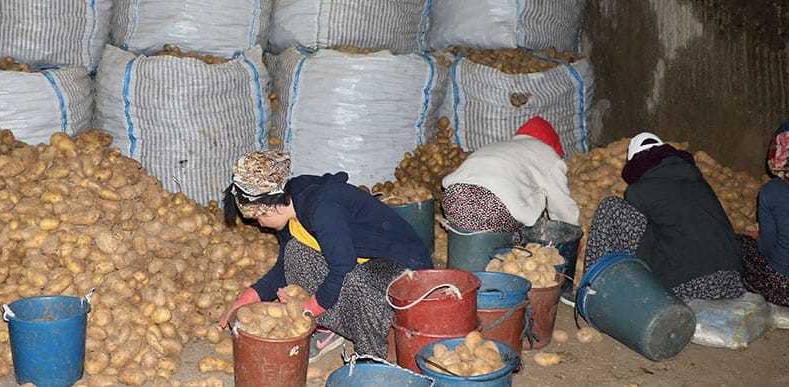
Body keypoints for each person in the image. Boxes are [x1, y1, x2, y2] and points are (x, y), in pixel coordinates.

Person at [216, 150, 432, 362]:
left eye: (257, 218)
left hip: (406, 268)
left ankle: (370, 356)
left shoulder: (322, 208)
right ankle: (337, 326)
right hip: (365, 261)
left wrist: (310, 308)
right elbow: (284, 267)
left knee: (354, 279)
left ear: (269, 207)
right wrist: (246, 298)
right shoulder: (290, 210)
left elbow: (343, 267)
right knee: (295, 254)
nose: (258, 224)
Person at [584, 132, 743, 300]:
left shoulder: (638, 191)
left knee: (611, 208)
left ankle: (592, 289)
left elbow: (632, 236)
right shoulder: (699, 183)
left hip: (687, 286)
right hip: (731, 283)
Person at [440, 116, 579, 233]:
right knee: (521, 236)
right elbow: (561, 205)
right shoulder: (548, 154)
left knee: (477, 224)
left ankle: (467, 241)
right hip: (490, 208)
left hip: (452, 199)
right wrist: (569, 233)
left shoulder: (499, 146)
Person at [738, 121, 789, 306]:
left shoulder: (772, 190)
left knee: (739, 245)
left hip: (783, 288)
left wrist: (759, 238)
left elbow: (767, 247)